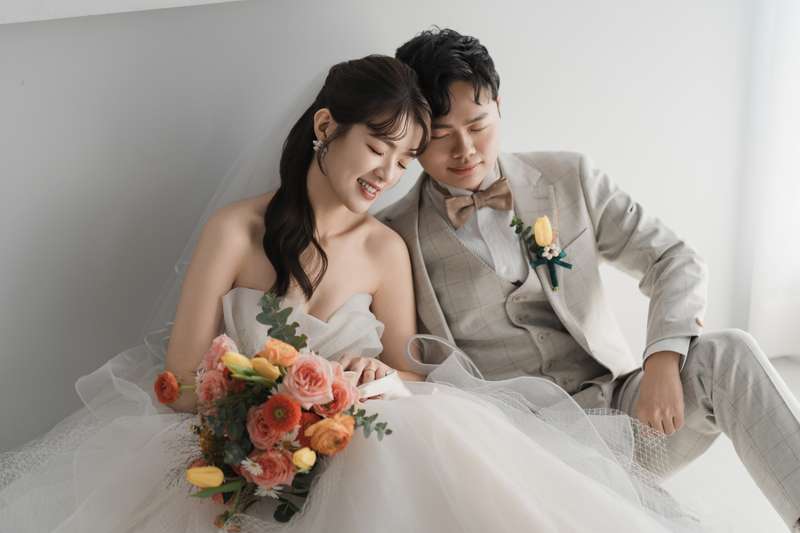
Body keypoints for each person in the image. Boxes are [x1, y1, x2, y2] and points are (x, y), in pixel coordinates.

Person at [0, 54, 701, 532]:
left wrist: (368, 378)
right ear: (326, 127)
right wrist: (263, 410)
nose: (388, 173)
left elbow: (411, 371)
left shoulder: (385, 248)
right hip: (250, 441)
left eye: (404, 159)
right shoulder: (235, 232)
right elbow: (179, 380)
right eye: (378, 147)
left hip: (369, 436)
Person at [380, 27, 800, 531]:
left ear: (499, 107)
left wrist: (663, 360)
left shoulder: (568, 177)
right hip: (521, 455)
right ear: (413, 135)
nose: (465, 149)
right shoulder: (392, 236)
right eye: (441, 134)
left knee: (729, 354)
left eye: (478, 124)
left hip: (625, 417)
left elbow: (673, 257)